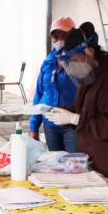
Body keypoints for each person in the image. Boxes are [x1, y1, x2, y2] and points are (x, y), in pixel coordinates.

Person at [45, 22, 108, 186]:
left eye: (74, 60)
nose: (72, 66)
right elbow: (85, 108)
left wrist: (74, 119)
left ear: (89, 52)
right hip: (89, 154)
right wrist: (62, 111)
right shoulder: (91, 72)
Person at [29, 17, 79, 152]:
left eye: (63, 35)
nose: (58, 40)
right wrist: (34, 127)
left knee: (73, 165)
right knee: (55, 166)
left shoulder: (80, 61)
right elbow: (39, 95)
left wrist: (75, 118)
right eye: (55, 36)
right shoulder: (48, 62)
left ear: (72, 37)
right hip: (50, 126)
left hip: (71, 127)